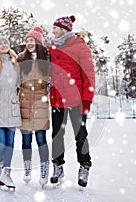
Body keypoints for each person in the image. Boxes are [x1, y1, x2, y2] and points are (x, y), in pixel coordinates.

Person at [48, 15, 95, 188]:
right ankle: (58, 166)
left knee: (80, 134)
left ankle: (84, 166)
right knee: (57, 135)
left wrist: (87, 100)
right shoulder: (52, 47)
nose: (53, 31)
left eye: (55, 28)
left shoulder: (80, 46)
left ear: (64, 29)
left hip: (76, 100)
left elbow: (88, 75)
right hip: (57, 99)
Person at [0, 35, 21, 191]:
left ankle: (6, 172)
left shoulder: (15, 63)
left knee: (10, 143)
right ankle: (1, 170)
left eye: (5, 42)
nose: (4, 45)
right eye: (0, 43)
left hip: (12, 105)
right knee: (0, 143)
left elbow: (19, 83)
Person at [17, 27, 51, 187]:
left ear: (38, 42)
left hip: (40, 100)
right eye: (27, 41)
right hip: (24, 100)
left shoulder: (47, 58)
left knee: (41, 138)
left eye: (32, 40)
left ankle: (44, 168)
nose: (29, 43)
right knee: (25, 138)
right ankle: (27, 167)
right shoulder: (21, 59)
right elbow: (15, 79)